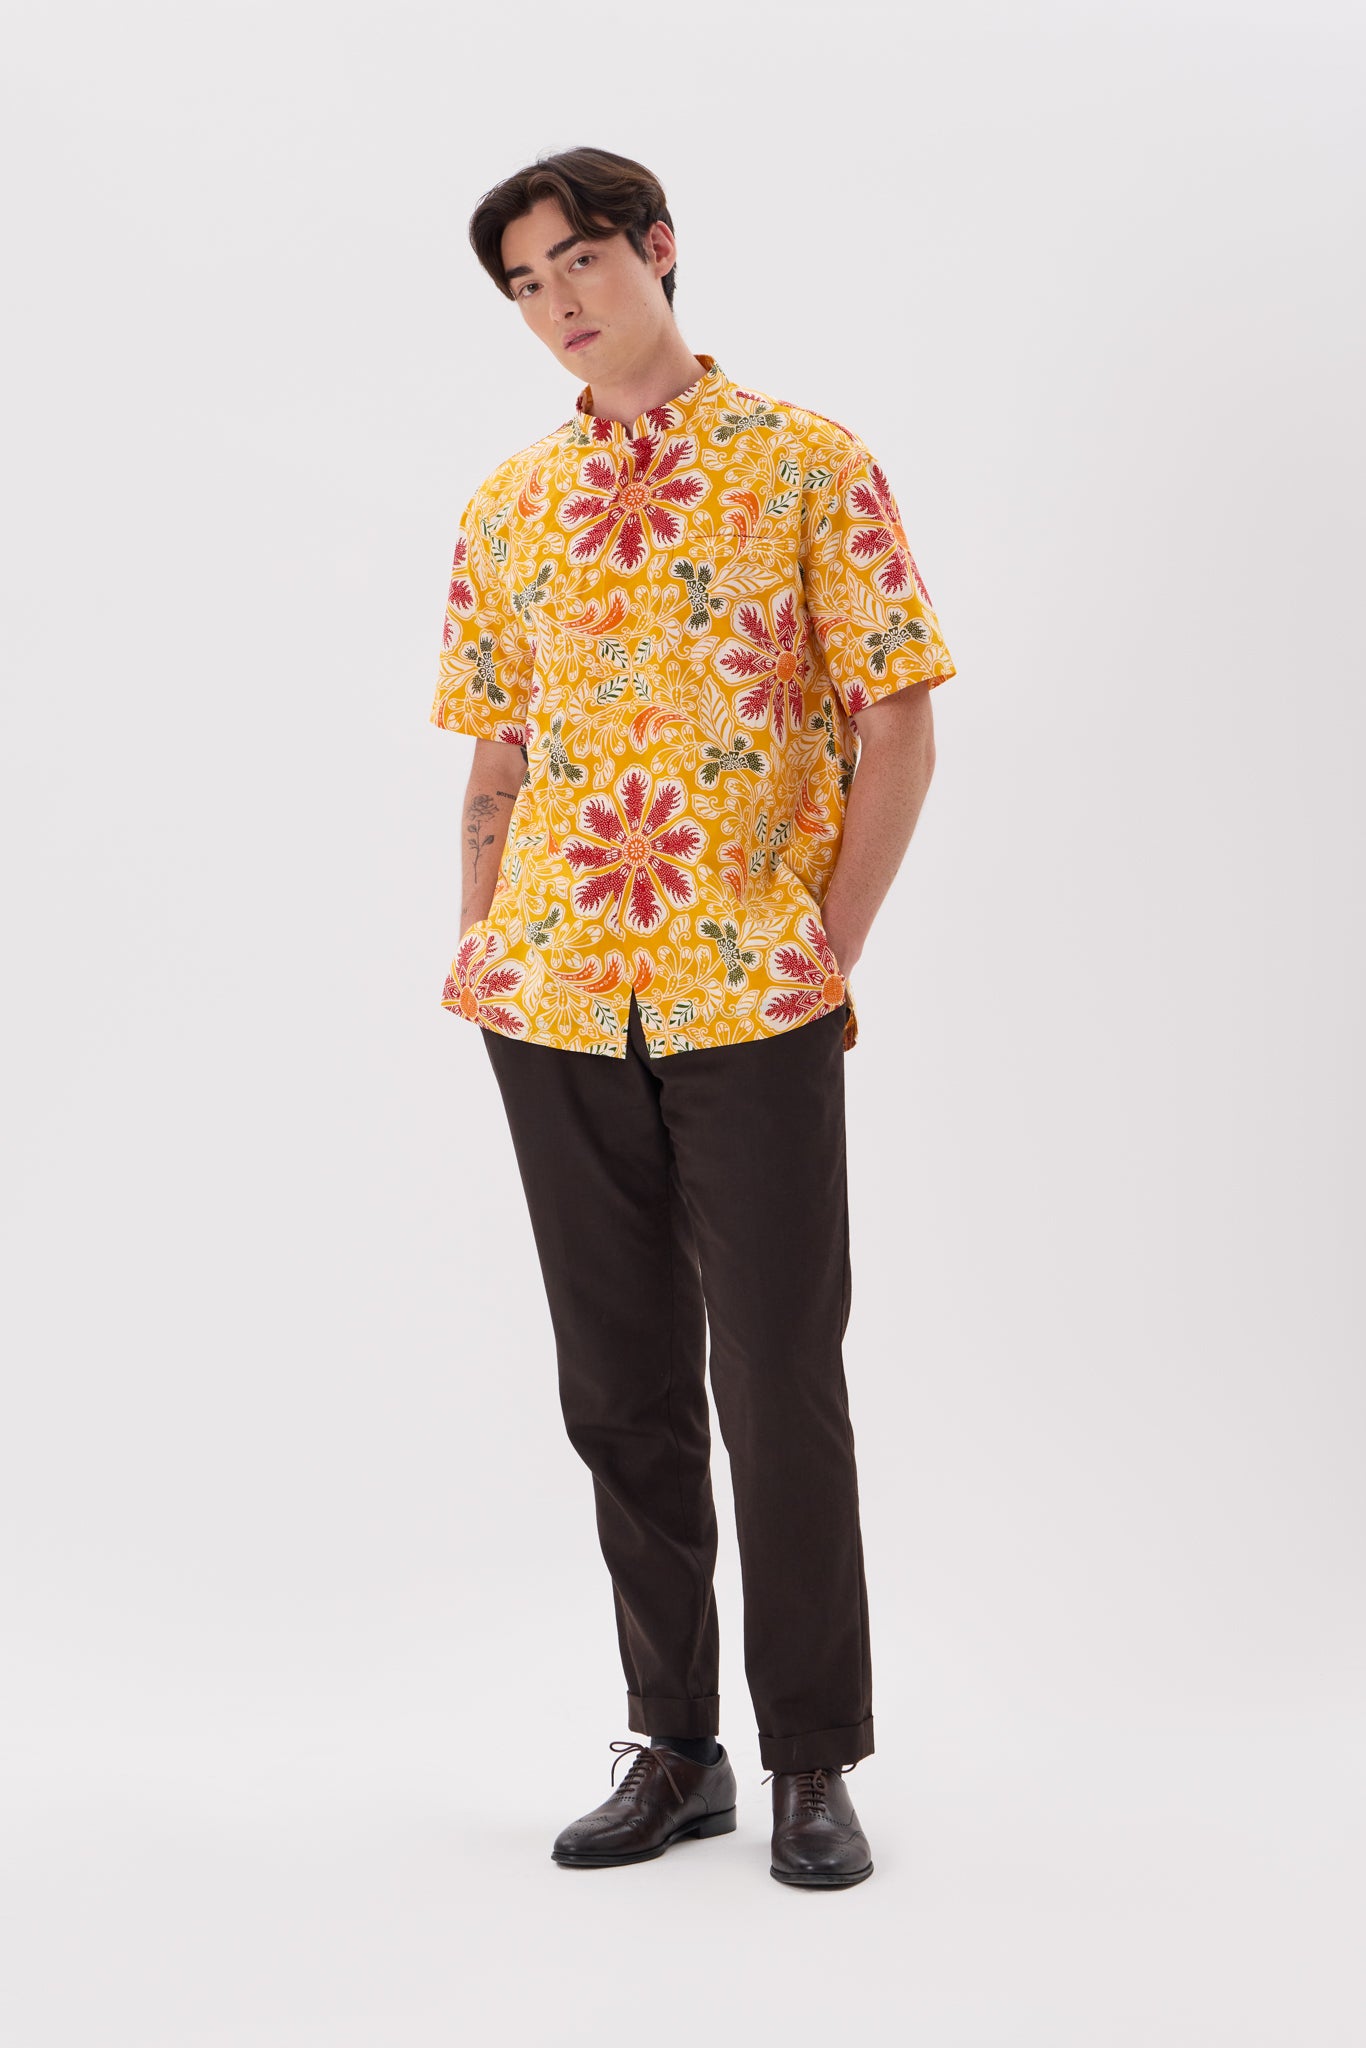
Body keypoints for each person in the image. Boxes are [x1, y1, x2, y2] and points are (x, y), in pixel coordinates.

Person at [430, 146, 956, 1889]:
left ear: (655, 248)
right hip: (554, 999)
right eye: (525, 285)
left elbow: (896, 720)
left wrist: (824, 950)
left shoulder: (806, 462)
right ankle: (674, 1748)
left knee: (778, 1378)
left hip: (752, 991)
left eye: (579, 261)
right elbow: (498, 752)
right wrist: (483, 946)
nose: (557, 304)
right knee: (620, 1388)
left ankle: (813, 1758)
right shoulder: (507, 506)